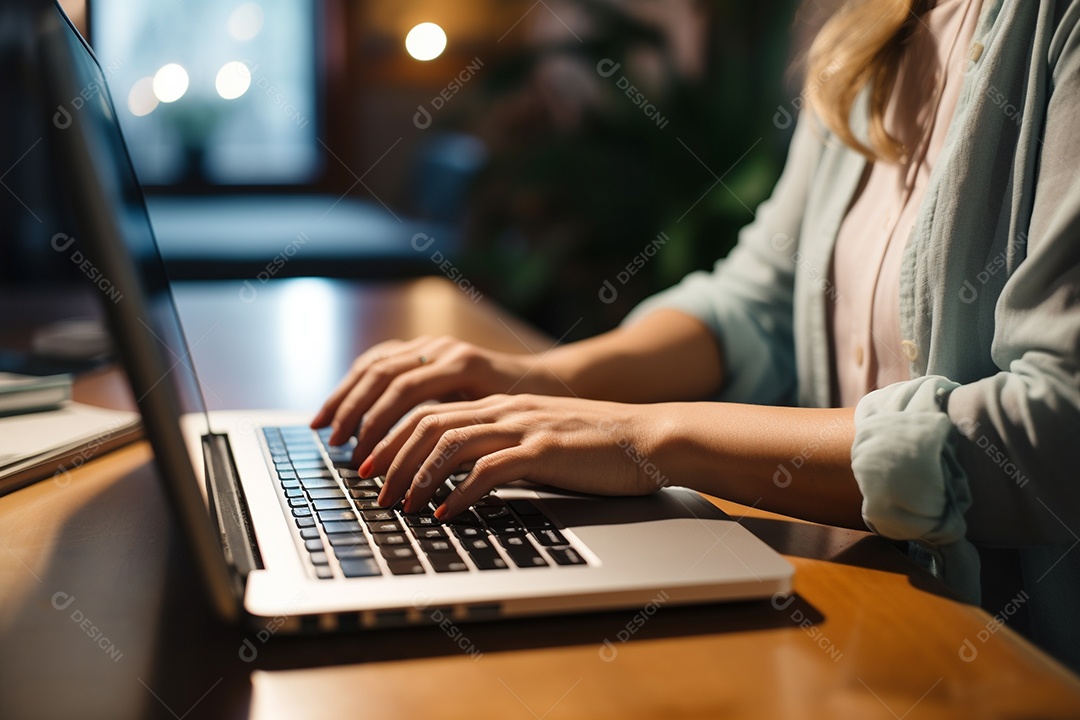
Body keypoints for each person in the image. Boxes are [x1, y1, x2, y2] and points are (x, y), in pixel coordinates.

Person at [313, 0, 1080, 668]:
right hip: (867, 604)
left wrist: (654, 440)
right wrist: (542, 380)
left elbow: (1056, 430)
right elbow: (757, 300)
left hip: (1021, 664)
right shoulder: (869, 25)